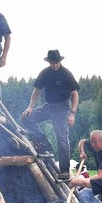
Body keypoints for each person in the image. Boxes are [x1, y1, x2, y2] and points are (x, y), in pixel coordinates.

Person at [21, 49, 79, 180]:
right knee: (26, 118)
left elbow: (75, 94)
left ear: (60, 61)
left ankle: (64, 170)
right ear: (49, 62)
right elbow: (37, 91)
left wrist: (72, 113)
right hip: (48, 105)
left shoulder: (66, 74)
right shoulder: (45, 73)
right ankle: (44, 142)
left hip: (63, 107)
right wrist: (30, 107)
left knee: (61, 137)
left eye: (56, 63)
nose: (54, 65)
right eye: (52, 63)